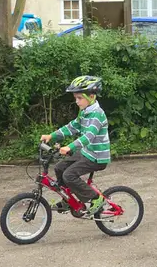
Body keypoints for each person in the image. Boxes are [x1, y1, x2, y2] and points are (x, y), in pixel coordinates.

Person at [40, 75, 111, 218]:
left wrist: (70, 147)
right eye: (76, 98)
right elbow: (72, 127)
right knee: (59, 168)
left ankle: (96, 199)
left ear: (91, 96)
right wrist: (52, 136)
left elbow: (88, 136)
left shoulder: (97, 114)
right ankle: (68, 200)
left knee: (69, 175)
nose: (77, 101)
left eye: (80, 98)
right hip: (87, 152)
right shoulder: (85, 111)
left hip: (97, 156)